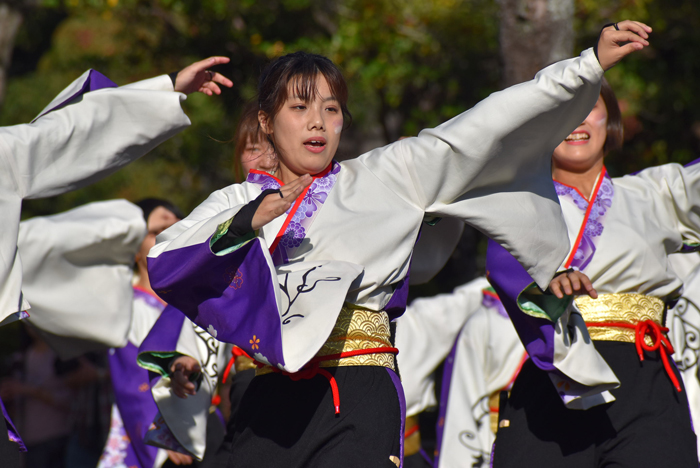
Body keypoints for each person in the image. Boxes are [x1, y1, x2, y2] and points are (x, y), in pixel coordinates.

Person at [144, 22, 649, 467]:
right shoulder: (238, 199)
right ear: (265, 122)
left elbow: (484, 125)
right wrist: (243, 224)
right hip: (268, 398)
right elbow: (167, 260)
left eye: (331, 108)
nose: (319, 121)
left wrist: (585, 66)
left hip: (357, 394)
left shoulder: (388, 176)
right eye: (299, 107)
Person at [0, 57, 232, 466]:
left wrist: (168, 88)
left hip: (200, 426)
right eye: (155, 230)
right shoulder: (120, 294)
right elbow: (131, 382)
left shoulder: (196, 294)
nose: (166, 237)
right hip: (146, 440)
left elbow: (58, 136)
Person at [487, 30, 699, 467]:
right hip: (554, 379)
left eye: (590, 107)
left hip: (646, 378)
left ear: (611, 119)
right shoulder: (516, 203)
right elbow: (503, 262)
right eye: (560, 112)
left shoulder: (657, 192)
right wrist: (547, 279)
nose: (577, 121)